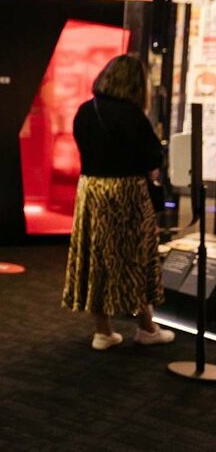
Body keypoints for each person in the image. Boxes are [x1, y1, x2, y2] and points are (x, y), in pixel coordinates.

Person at [62, 54, 174, 350]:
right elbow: (152, 158)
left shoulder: (87, 110)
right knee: (134, 258)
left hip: (91, 190)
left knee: (96, 258)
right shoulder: (133, 116)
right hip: (127, 193)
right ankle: (146, 328)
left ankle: (103, 331)